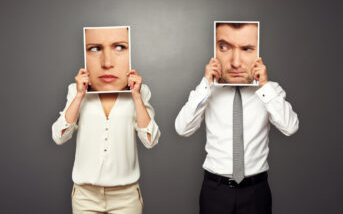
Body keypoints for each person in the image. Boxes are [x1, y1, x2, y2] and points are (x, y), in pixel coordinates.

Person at [175, 23, 299, 214]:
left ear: (259, 53)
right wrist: (205, 84)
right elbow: (182, 128)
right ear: (214, 51)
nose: (235, 62)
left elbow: (290, 127)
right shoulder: (207, 90)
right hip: (215, 191)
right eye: (224, 47)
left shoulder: (270, 90)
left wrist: (264, 86)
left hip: (256, 192)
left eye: (247, 49)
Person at [52, 27, 160, 214]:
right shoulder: (75, 91)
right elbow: (59, 137)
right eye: (94, 49)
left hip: (126, 197)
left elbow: (150, 141)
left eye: (119, 47)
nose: (107, 63)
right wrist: (79, 95)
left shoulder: (140, 92)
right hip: (85, 196)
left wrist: (136, 96)